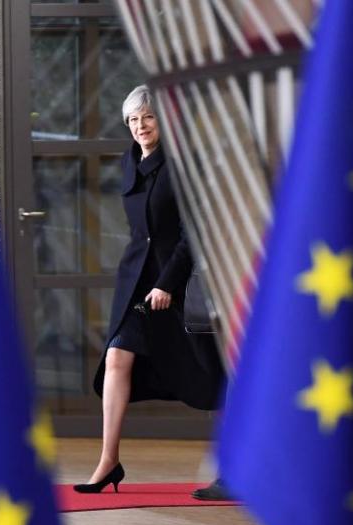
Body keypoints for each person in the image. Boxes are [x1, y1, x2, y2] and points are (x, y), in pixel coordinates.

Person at [74, 85, 224, 494]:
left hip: (177, 283)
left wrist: (167, 284)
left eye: (149, 117)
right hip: (135, 281)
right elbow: (139, 231)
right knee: (117, 358)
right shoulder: (128, 162)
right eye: (133, 120)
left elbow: (192, 233)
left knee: (213, 374)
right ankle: (108, 462)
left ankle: (233, 467)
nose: (140, 126)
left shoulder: (182, 165)